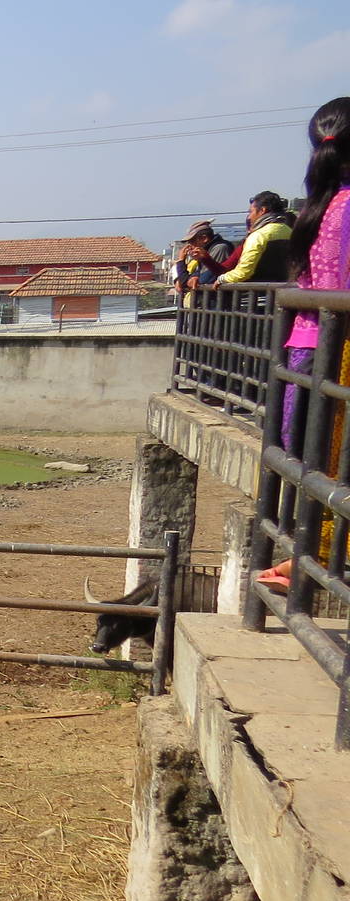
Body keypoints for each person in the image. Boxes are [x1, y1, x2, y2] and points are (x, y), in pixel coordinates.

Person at [257, 98, 350, 592]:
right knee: (334, 463)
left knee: (311, 460)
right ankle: (317, 561)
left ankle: (307, 556)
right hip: (339, 352)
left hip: (302, 347)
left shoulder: (317, 207)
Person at [208, 191, 294, 286]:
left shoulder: (258, 236)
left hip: (255, 295)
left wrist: (222, 279)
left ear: (262, 210)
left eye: (251, 211)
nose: (249, 217)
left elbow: (244, 272)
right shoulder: (290, 232)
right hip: (284, 292)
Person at [174, 219, 234, 295]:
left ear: (204, 238)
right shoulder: (207, 250)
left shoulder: (220, 248)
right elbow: (199, 273)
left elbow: (205, 279)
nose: (189, 246)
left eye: (192, 241)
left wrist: (181, 262)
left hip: (217, 302)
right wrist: (181, 280)